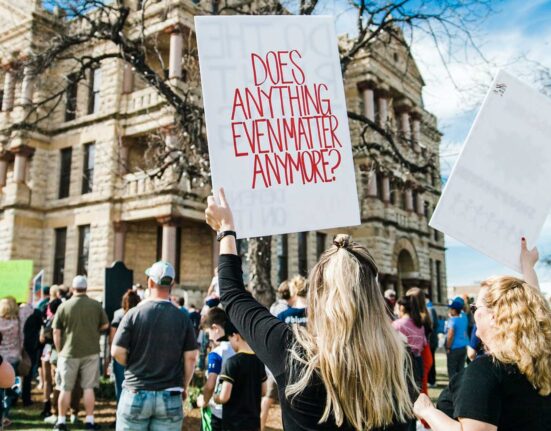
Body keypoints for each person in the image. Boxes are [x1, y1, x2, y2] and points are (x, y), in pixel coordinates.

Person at [205, 188, 414, 430]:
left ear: (318, 295)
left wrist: (226, 229)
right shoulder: (400, 362)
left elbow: (233, 295)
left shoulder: (293, 353)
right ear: (374, 299)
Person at [414, 239, 551, 431]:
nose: (473, 313)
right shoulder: (540, 360)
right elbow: (535, 311)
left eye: (475, 307)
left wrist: (428, 411)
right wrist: (527, 265)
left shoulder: (486, 371)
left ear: (495, 317)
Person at [111, 260, 198, 431]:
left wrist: (134, 363)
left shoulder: (133, 314)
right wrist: (184, 386)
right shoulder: (183, 317)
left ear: (150, 282)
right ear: (172, 285)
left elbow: (117, 351)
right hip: (170, 393)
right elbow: (191, 357)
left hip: (136, 390)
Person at [52, 275, 109, 430]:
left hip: (68, 352)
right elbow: (105, 325)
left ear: (73, 288)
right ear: (86, 288)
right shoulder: (95, 305)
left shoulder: (64, 306)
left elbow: (56, 331)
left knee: (65, 388)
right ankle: (89, 420)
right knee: (88, 388)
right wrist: (94, 330)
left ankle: (61, 421)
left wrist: (59, 350)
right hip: (91, 351)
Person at [214, 319, 267, 431]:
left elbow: (224, 397)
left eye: (229, 339)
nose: (230, 344)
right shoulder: (259, 361)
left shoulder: (232, 362)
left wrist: (215, 398)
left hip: (233, 425)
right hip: (253, 424)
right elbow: (264, 391)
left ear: (235, 336)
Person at [196, 308, 235, 431]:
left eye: (208, 334)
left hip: (219, 412)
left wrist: (204, 401)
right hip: (239, 413)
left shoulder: (217, 353)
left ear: (215, 328)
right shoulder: (239, 349)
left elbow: (210, 385)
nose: (209, 338)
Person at [109, 290, 140, 404]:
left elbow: (113, 335)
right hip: (137, 354)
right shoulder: (141, 314)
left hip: (120, 352)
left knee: (120, 385)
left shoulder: (118, 314)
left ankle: (120, 409)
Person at [405, 287, 433, 395]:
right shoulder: (425, 315)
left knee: (419, 386)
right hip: (424, 351)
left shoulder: (418, 318)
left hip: (420, 353)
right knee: (421, 385)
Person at [0, 297, 22, 427]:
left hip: (1, 357)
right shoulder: (16, 322)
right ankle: (5, 414)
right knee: (8, 389)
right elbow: (21, 338)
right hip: (13, 357)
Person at [445, 296, 469, 380]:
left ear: (454, 310)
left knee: (452, 372)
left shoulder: (452, 321)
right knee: (460, 371)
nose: (450, 310)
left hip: (454, 349)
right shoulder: (465, 318)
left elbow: (450, 335)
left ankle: (453, 388)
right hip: (463, 347)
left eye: (451, 309)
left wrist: (448, 347)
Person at [425, 294, 439, 387]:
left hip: (430, 340)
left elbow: (431, 325)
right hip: (431, 340)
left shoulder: (429, 309)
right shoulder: (431, 308)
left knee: (431, 361)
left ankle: (432, 380)